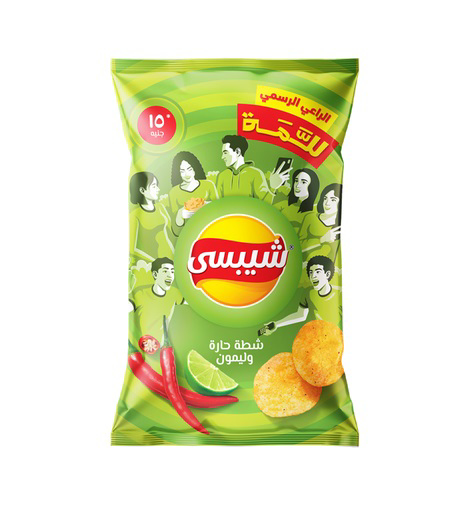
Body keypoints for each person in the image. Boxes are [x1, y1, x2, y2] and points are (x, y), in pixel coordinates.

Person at [259, 256, 342, 336]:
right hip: (318, 338)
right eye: (311, 272)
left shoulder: (339, 294)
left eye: (318, 272)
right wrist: (276, 324)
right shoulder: (308, 293)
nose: (313, 276)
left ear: (327, 274)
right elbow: (300, 315)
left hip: (335, 338)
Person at [214, 135, 290, 202]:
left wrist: (273, 187)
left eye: (225, 153)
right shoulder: (222, 176)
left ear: (237, 152)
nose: (222, 157)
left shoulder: (255, 174)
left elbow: (264, 205)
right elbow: (217, 204)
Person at [130, 257, 184, 344]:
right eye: (165, 271)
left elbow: (192, 304)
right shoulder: (141, 294)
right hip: (139, 345)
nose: (170, 275)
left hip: (161, 346)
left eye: (172, 272)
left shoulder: (175, 293)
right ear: (155, 274)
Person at [166, 151, 218, 236]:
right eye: (182, 171)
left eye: (189, 169)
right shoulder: (174, 192)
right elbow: (175, 231)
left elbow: (218, 210)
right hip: (189, 236)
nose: (187, 174)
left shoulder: (208, 185)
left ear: (195, 168)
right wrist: (180, 214)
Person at [129, 172, 175, 264]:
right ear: (142, 190)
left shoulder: (160, 207)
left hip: (171, 258)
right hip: (153, 262)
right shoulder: (134, 215)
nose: (158, 189)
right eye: (154, 186)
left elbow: (171, 234)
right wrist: (154, 261)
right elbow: (133, 249)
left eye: (157, 186)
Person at [273, 168, 319, 233]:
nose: (297, 185)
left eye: (303, 182)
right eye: (296, 181)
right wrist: (273, 187)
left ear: (312, 186)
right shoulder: (284, 204)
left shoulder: (314, 213)